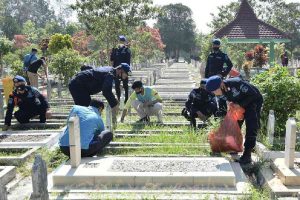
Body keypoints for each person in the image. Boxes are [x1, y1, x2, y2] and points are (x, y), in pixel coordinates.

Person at [206, 75, 263, 164]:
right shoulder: (221, 92)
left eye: (215, 90)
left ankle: (247, 155)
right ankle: (234, 146)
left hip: (253, 102)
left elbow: (254, 95)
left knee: (251, 127)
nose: (214, 93)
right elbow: (225, 106)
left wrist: (240, 105)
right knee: (234, 125)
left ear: (221, 84)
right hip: (238, 104)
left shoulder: (237, 83)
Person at [110, 35, 131, 104]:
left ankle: (126, 99)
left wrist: (126, 71)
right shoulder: (114, 49)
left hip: (124, 70)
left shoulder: (127, 50)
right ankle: (118, 99)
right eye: (120, 41)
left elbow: (128, 62)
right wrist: (112, 69)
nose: (121, 42)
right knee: (117, 85)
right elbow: (112, 60)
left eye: (122, 41)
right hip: (116, 70)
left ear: (124, 42)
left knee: (125, 85)